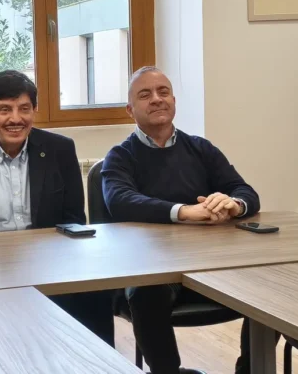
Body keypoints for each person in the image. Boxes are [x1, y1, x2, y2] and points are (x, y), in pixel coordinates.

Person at [102, 66, 269, 374]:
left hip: (211, 264)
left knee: (268, 280)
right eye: (145, 94)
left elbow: (246, 191)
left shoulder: (201, 149)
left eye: (163, 92)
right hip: (155, 269)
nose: (157, 99)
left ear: (174, 101)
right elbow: (120, 201)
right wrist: (183, 211)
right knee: (146, 292)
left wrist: (234, 204)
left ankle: (250, 369)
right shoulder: (120, 156)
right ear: (130, 109)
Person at [0, 70, 115, 347]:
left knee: (96, 289)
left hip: (48, 264)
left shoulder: (60, 149)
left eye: (24, 109)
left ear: (35, 110)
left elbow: (74, 219)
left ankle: (94, 361)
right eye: (5, 109)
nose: (15, 119)